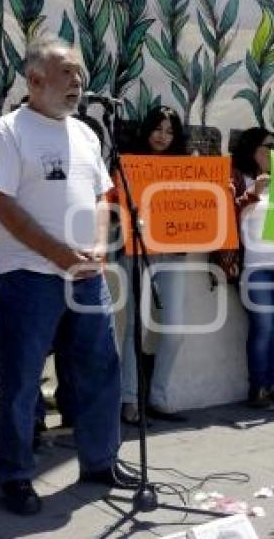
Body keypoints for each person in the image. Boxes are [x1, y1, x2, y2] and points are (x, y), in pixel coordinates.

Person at [0, 34, 137, 515]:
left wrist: (91, 249)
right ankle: (15, 475)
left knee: (99, 370)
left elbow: (99, 198)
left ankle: (100, 460)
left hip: (84, 276)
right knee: (22, 380)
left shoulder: (87, 133)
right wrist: (58, 253)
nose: (77, 81)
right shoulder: (9, 132)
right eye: (67, 71)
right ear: (35, 79)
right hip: (28, 276)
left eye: (80, 73)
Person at [118, 106, 190, 425]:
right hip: (136, 251)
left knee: (174, 329)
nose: (163, 136)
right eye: (158, 129)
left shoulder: (186, 167)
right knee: (137, 325)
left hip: (173, 253)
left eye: (170, 131)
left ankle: (157, 395)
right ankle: (129, 399)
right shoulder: (127, 164)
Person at [234, 128, 274, 409]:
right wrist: (253, 194)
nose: (271, 152)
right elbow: (231, 218)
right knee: (262, 326)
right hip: (256, 264)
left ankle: (273, 384)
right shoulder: (240, 180)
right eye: (266, 146)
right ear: (251, 150)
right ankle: (256, 386)